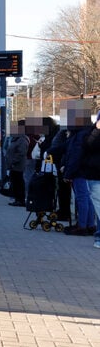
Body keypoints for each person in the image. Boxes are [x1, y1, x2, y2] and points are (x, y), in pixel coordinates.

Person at [62, 104, 98, 235]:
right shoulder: (87, 132)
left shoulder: (78, 135)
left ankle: (82, 225)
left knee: (82, 197)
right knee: (87, 198)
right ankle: (89, 224)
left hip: (79, 170)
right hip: (85, 169)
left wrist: (68, 173)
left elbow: (75, 155)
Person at [79, 110, 100, 249]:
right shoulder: (92, 132)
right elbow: (88, 146)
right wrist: (97, 131)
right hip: (96, 174)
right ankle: (99, 237)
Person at [4, 120, 28, 206]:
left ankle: (20, 200)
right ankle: (17, 199)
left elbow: (21, 153)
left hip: (18, 165)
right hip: (13, 165)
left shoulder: (21, 139)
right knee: (15, 182)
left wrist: (13, 161)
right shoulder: (15, 138)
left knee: (19, 182)